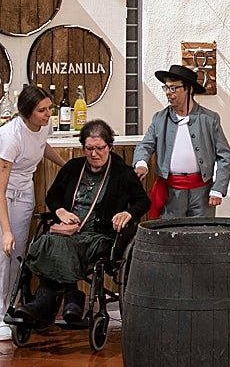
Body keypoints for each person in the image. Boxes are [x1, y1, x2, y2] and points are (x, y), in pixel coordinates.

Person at [12, 119, 149, 326]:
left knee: (55, 244)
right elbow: (52, 196)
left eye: (100, 148)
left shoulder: (123, 173)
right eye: (89, 149)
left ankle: (50, 301)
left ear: (110, 147)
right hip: (68, 230)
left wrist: (127, 213)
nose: (94, 154)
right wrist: (60, 211)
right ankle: (69, 298)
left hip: (99, 235)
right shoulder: (73, 168)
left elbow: (143, 201)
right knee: (47, 242)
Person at [0, 85, 68, 342]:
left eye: (50, 108)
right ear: (27, 113)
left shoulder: (44, 125)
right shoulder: (9, 136)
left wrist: (65, 164)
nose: (48, 114)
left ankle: (12, 308)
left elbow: (41, 145)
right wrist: (5, 230)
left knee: (18, 253)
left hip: (24, 187)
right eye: (42, 110)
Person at [133, 64, 230, 218]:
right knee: (171, 236)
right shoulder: (160, 118)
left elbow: (224, 155)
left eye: (173, 88)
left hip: (202, 192)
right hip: (171, 191)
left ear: (189, 89)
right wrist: (141, 163)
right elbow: (145, 145)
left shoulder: (209, 119)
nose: (168, 93)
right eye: (166, 88)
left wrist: (218, 188)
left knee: (201, 235)